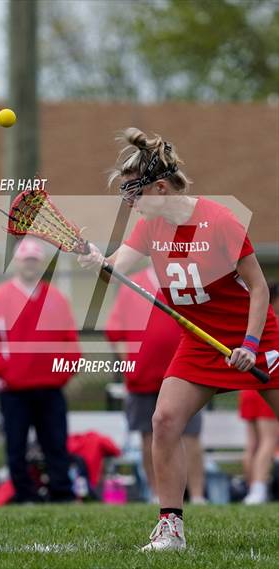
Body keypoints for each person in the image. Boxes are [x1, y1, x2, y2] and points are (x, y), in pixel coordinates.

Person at [79, 128, 279, 551]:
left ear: (161, 188)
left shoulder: (220, 220)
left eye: (134, 192)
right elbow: (115, 270)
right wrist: (96, 260)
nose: (129, 203)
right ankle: (171, 529)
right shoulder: (150, 227)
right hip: (200, 341)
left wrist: (248, 344)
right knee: (164, 420)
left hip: (254, 335)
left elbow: (259, 288)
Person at [0, 237, 81, 503]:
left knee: (56, 443)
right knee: (16, 445)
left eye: (35, 260)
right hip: (14, 390)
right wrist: (6, 370)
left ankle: (62, 494)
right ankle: (24, 495)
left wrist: (62, 372)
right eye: (26, 260)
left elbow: (70, 341)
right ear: (17, 262)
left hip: (50, 387)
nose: (30, 265)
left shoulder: (56, 298)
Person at [105, 265, 206, 504]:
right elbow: (115, 332)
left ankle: (198, 495)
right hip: (143, 377)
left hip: (185, 374)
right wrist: (129, 365)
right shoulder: (132, 285)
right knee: (149, 436)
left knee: (190, 435)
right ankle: (156, 493)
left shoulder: (187, 281)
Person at [239, 282, 279, 504]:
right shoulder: (272, 321)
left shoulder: (251, 321)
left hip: (249, 387)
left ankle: (251, 489)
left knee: (253, 443)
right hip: (266, 383)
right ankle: (258, 488)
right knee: (269, 440)